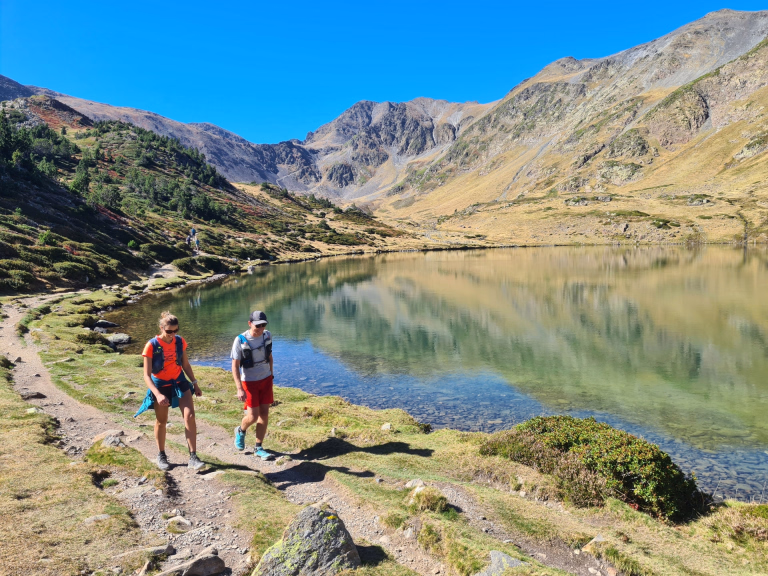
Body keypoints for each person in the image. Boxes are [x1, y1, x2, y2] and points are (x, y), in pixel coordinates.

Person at [136, 311, 204, 471]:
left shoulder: (180, 342)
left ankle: (193, 457)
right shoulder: (151, 345)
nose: (172, 334)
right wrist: (158, 394)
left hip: (180, 381)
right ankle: (161, 455)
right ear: (161, 328)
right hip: (160, 385)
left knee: (190, 416)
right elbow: (146, 375)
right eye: (169, 331)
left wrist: (194, 383)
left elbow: (185, 364)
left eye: (176, 331)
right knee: (162, 421)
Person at [231, 311, 274, 460]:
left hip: (266, 379)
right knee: (253, 416)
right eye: (258, 325)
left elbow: (270, 357)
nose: (261, 328)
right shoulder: (240, 340)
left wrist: (271, 376)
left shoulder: (267, 336)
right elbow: (235, 366)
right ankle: (241, 431)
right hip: (249, 382)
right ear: (250, 324)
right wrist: (239, 388)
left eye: (263, 325)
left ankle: (258, 447)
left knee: (264, 414)